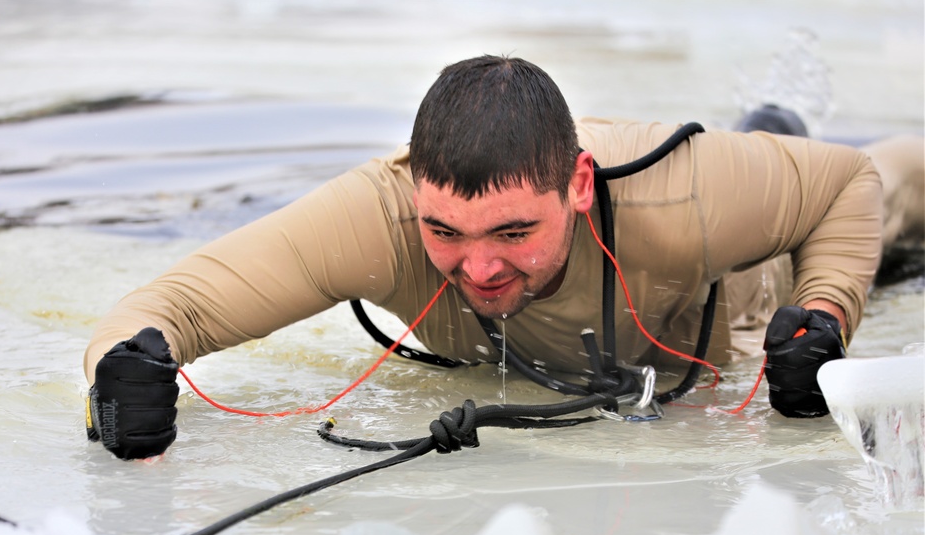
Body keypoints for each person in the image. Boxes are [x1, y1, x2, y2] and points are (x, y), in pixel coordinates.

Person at [84, 55, 885, 461]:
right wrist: (118, 381)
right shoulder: (380, 215)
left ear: (575, 184)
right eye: (446, 233)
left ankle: (773, 124)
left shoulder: (674, 192)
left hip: (745, 282)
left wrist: (824, 310)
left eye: (511, 233)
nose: (477, 269)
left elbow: (850, 183)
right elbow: (170, 308)